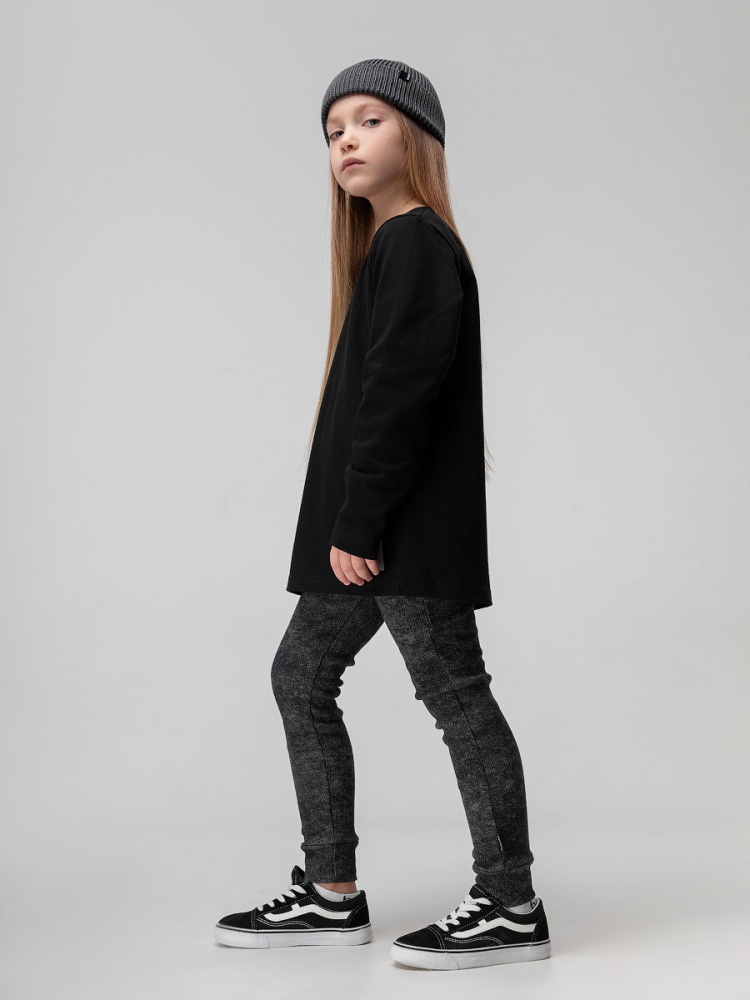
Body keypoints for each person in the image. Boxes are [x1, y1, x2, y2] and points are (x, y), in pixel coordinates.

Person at [214, 57, 551, 972]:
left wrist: (359, 523)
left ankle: (511, 903)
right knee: (301, 676)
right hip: (371, 532)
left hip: (395, 532)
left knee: (456, 697)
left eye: (369, 120)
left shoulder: (416, 243)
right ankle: (332, 892)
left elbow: (400, 398)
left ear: (418, 136)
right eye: (334, 131)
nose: (347, 142)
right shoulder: (391, 248)